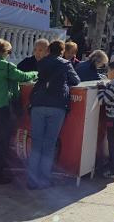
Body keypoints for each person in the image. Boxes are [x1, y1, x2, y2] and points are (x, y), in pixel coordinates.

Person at [0, 39, 38, 184]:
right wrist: (36, 72)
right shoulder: (6, 66)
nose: (10, 55)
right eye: (9, 52)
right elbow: (22, 76)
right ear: (2, 52)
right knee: (1, 141)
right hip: (0, 107)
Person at [27, 40, 81, 189]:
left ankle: (31, 180)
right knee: (49, 144)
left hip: (38, 103)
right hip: (57, 105)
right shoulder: (65, 64)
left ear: (49, 50)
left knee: (36, 144)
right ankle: (44, 179)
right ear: (63, 51)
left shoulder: (42, 62)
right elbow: (76, 80)